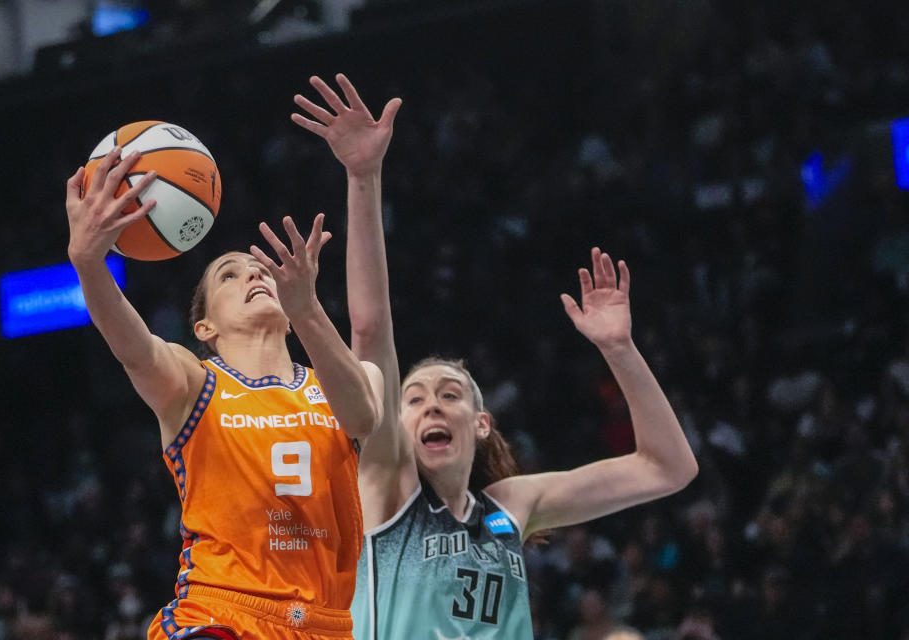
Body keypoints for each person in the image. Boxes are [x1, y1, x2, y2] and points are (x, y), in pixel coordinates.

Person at [291, 74, 699, 640]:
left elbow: (669, 468)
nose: (432, 405)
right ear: (399, 424)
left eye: (450, 394)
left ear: (481, 424)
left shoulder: (511, 506)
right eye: (414, 398)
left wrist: (619, 349)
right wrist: (364, 177)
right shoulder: (386, 487)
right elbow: (370, 327)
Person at [64, 146, 384, 640]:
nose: (253, 273)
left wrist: (308, 310)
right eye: (228, 275)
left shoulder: (345, 378)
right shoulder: (193, 381)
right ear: (205, 325)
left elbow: (363, 417)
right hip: (219, 613)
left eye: (257, 268)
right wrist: (88, 262)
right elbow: (135, 348)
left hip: (326, 623)